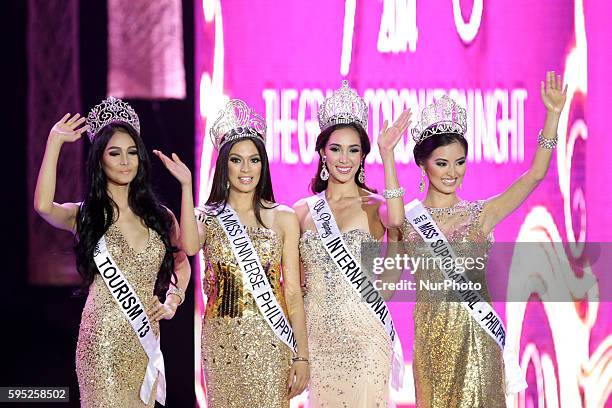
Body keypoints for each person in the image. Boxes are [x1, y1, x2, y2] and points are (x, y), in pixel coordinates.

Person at [398, 71, 567, 407]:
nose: (452, 172)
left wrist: (552, 115)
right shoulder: (405, 219)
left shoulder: (482, 214)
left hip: (477, 340)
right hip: (430, 342)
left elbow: (535, 174)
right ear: (422, 164)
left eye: (459, 162)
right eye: (442, 163)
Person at [33, 96, 194, 407]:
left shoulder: (161, 217)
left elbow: (181, 263)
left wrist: (174, 299)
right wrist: (54, 142)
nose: (125, 161)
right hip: (102, 343)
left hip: (145, 340)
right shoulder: (87, 215)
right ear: (100, 160)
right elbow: (42, 206)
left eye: (132, 153)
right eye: (115, 153)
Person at [293, 81, 410, 407]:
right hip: (319, 344)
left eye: (354, 149)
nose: (344, 158)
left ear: (363, 156)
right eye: (336, 149)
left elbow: (398, 220)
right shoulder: (303, 211)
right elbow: (298, 287)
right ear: (322, 153)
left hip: (365, 339)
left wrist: (388, 156)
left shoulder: (375, 204)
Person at [189, 99, 309, 407]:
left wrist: (302, 355)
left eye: (254, 160)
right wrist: (185, 185)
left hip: (271, 341)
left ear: (263, 165)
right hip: (220, 342)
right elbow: (188, 246)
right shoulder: (206, 217)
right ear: (224, 165)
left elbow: (293, 293)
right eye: (237, 160)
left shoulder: (283, 218)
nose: (246, 169)